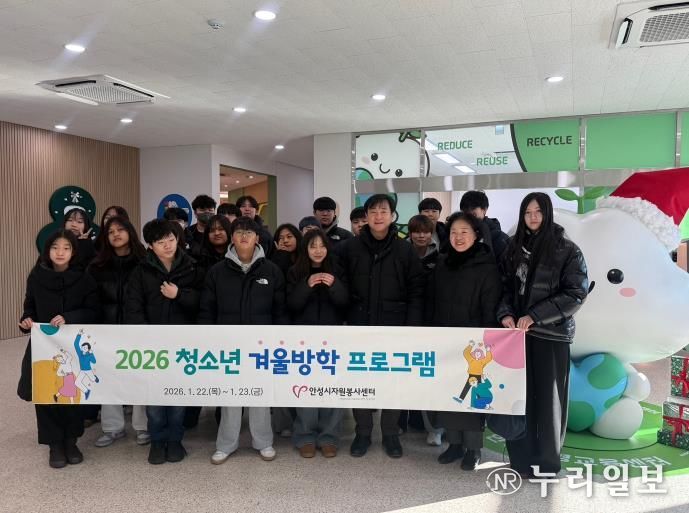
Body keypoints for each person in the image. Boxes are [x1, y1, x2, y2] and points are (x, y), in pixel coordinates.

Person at [497, 192, 588, 477]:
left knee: (549, 402)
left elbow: (576, 293)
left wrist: (535, 316)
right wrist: (505, 313)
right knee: (518, 399)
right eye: (527, 212)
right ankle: (520, 461)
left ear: (547, 213)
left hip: (551, 336)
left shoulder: (567, 250)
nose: (533, 217)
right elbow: (503, 287)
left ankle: (546, 464)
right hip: (516, 338)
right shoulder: (513, 248)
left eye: (538, 211)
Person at [340, 194, 425, 458]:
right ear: (365, 216)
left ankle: (390, 433)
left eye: (384, 211)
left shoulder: (405, 250)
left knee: (393, 382)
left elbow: (416, 291)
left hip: (394, 326)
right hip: (358, 325)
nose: (378, 216)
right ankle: (363, 433)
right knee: (359, 380)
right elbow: (341, 288)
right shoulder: (349, 248)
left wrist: (411, 327)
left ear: (393, 216)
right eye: (373, 211)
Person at [198, 216, 288, 465]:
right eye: (239, 232)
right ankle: (226, 444)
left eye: (249, 232)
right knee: (231, 397)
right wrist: (207, 339)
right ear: (232, 238)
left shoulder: (271, 271)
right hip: (228, 346)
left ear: (257, 238)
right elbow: (207, 309)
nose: (244, 236)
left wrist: (280, 341)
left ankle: (263, 442)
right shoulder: (217, 271)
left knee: (260, 395)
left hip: (262, 346)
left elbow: (280, 311)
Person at [425, 212, 502, 470]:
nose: (458, 237)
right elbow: (432, 300)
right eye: (454, 232)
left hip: (473, 345)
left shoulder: (487, 266)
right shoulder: (443, 263)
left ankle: (473, 449)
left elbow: (490, 307)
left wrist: (479, 339)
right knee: (449, 395)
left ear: (476, 235)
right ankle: (454, 444)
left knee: (471, 398)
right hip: (444, 341)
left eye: (464, 232)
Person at [17, 230, 100, 469]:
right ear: (47, 250)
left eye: (66, 247)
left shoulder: (84, 278)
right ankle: (54, 444)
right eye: (55, 247)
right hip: (44, 347)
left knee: (71, 394)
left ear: (74, 252)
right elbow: (29, 308)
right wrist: (26, 321)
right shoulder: (36, 276)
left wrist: (69, 317)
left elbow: (94, 312)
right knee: (46, 395)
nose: (60, 252)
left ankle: (71, 442)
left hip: (73, 346)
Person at [125, 219, 204, 465]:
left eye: (171, 239)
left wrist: (179, 294)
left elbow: (202, 302)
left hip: (183, 344)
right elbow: (133, 307)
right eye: (161, 242)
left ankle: (175, 440)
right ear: (150, 246)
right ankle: (158, 441)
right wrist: (145, 337)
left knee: (178, 396)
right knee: (155, 397)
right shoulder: (141, 271)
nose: (168, 245)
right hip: (153, 346)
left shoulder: (191, 266)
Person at [88, 216, 150, 448]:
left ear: (130, 232)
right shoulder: (97, 266)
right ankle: (112, 427)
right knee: (108, 379)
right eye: (110, 231)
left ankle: (142, 426)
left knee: (140, 377)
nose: (115, 234)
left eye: (120, 229)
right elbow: (90, 299)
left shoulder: (144, 262)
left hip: (137, 329)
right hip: (106, 330)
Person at [286, 229, 348, 458]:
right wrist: (307, 284)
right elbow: (291, 305)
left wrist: (334, 285)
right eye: (313, 246)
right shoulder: (295, 271)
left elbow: (345, 303)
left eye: (322, 246)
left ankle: (329, 436)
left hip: (333, 338)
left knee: (333, 387)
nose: (318, 250)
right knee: (306, 388)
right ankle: (305, 436)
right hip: (304, 340)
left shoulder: (338, 269)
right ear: (306, 249)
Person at [182, 214, 232, 430]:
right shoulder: (195, 258)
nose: (217, 233)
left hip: (229, 322)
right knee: (200, 370)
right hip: (201, 319)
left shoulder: (237, 257)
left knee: (226, 371)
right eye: (212, 230)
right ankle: (191, 413)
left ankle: (224, 416)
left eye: (221, 229)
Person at [460, 190, 510, 259]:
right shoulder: (458, 235)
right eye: (466, 215)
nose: (469, 219)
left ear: (484, 210)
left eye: (474, 214)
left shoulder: (501, 239)